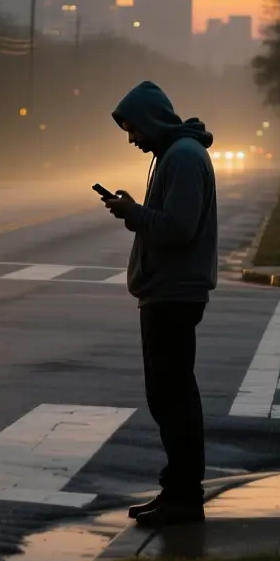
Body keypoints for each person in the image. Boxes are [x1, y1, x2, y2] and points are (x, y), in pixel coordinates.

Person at [100, 81, 218, 527]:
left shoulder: (184, 158)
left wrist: (133, 213)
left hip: (174, 294)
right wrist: (135, 212)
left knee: (174, 398)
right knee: (168, 397)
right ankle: (176, 490)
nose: (131, 139)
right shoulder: (173, 156)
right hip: (165, 292)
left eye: (132, 129)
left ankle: (185, 496)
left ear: (149, 121)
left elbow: (179, 227)